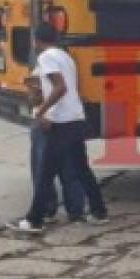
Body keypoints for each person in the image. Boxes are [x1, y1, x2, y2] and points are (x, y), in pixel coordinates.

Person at [7, 24, 109, 234]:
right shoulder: (65, 57)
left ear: (36, 40)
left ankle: (34, 220)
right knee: (82, 169)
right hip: (75, 118)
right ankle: (99, 212)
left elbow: (60, 87)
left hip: (61, 123)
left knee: (45, 173)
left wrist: (42, 111)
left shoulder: (46, 57)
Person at [24, 72, 85, 223]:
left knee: (42, 170)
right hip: (67, 123)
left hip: (47, 124)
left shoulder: (43, 64)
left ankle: (45, 211)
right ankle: (76, 211)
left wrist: (40, 112)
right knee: (70, 168)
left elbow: (36, 98)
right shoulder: (68, 61)